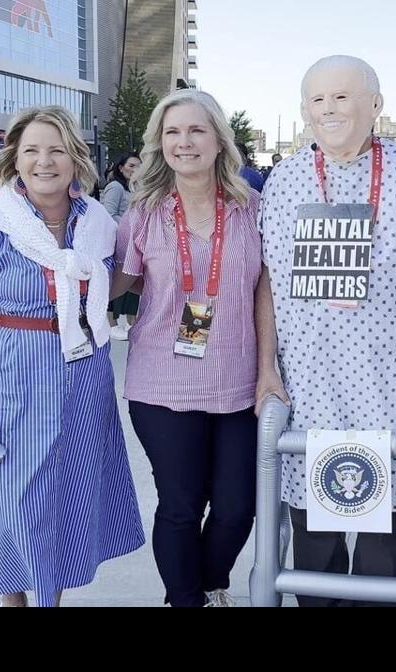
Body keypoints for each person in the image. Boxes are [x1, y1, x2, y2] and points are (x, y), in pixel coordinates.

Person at [256, 55, 396, 606]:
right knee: (313, 547)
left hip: (388, 390)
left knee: (382, 554)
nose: (329, 110)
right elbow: (269, 279)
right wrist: (266, 367)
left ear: (376, 105)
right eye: (317, 100)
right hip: (309, 391)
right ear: (303, 112)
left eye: (342, 97)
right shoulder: (287, 179)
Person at [0, 106, 145, 607]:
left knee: (68, 501)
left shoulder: (96, 222)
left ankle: (53, 601)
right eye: (31, 150)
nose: (44, 161)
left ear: (76, 158)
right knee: (16, 502)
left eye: (56, 150)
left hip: (82, 380)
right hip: (12, 383)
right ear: (15, 159)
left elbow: (109, 284)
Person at [110, 89, 262, 607]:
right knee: (180, 505)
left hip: (239, 382)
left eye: (196, 130)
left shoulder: (252, 210)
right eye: (172, 132)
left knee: (239, 506)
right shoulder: (144, 214)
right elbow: (117, 284)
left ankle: (210, 579)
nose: (184, 142)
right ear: (160, 144)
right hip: (161, 382)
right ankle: (186, 600)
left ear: (220, 139)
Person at [102, 153, 142, 339]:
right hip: (118, 242)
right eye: (131, 165)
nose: (135, 170)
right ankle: (112, 324)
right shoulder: (115, 187)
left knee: (134, 282)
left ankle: (129, 321)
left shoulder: (135, 188)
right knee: (118, 282)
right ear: (121, 167)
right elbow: (108, 214)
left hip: (134, 243)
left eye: (139, 166)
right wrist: (129, 228)